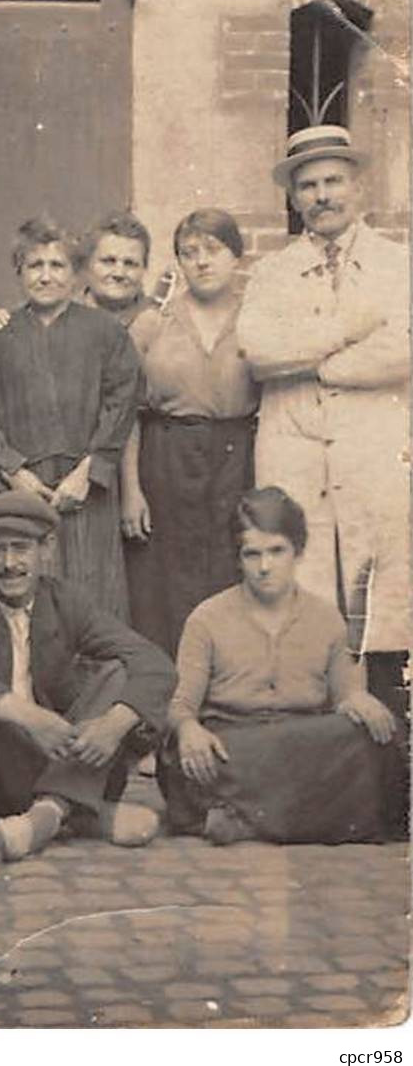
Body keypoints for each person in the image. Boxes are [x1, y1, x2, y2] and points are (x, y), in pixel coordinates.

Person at [236, 124, 410, 712]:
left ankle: (384, 742)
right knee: (299, 577)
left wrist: (320, 367)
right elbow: (258, 350)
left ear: (357, 185)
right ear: (292, 198)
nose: (322, 195)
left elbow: (402, 348)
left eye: (334, 180)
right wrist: (343, 331)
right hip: (295, 446)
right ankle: (309, 728)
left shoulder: (396, 264)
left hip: (371, 445)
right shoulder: (272, 272)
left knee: (380, 585)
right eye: (308, 185)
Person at [0, 491, 176, 862]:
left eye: (21, 548)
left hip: (57, 753)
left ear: (46, 550)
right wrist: (30, 717)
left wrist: (115, 724)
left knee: (118, 671)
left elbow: (154, 663)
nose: (9, 564)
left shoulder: (67, 600)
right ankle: (80, 813)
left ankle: (47, 813)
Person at [158, 488, 401, 845]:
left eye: (277, 551)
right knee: (185, 760)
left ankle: (243, 821)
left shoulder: (326, 618)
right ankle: (309, 819)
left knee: (368, 739)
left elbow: (343, 697)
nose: (265, 566)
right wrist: (188, 729)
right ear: (238, 559)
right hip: (233, 745)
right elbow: (179, 705)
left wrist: (358, 700)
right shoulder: (206, 619)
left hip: (302, 743)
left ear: (297, 551)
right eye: (251, 554)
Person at [0, 216, 141, 620]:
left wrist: (90, 471)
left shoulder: (106, 333)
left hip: (89, 490)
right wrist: (12, 469)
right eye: (35, 265)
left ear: (76, 274)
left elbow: (121, 403)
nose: (46, 276)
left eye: (57, 266)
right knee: (29, 596)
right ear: (19, 272)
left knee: (94, 599)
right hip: (23, 489)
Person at [120, 209, 258, 654]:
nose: (201, 261)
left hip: (236, 459)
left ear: (236, 255)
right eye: (188, 252)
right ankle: (171, 697)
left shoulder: (257, 318)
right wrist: (131, 491)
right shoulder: (152, 322)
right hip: (166, 458)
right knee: (167, 579)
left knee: (229, 567)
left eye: (213, 249)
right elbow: (127, 413)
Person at [77, 210, 157, 330]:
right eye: (108, 261)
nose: (119, 273)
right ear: (87, 264)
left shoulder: (161, 325)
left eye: (130, 264)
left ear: (144, 268)